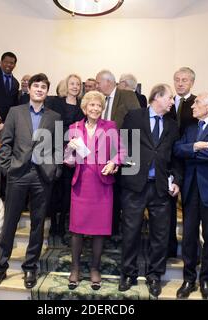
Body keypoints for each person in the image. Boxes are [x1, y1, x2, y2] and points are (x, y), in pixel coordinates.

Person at [0, 73, 62, 288]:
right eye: (36, 86)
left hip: (42, 176)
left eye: (43, 87)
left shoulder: (54, 117)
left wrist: (55, 171)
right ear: (29, 89)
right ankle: (0, 267)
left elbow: (57, 147)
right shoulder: (15, 112)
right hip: (18, 174)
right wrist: (7, 168)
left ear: (47, 92)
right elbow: (6, 143)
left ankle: (30, 268)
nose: (39, 89)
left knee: (37, 225)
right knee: (10, 223)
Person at [119, 84, 182, 297]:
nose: (172, 102)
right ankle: (128, 273)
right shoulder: (135, 116)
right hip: (134, 185)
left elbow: (176, 157)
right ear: (157, 97)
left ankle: (155, 275)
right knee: (130, 231)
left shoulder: (173, 125)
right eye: (170, 98)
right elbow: (122, 145)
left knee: (160, 234)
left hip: (161, 187)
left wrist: (177, 181)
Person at [64, 90, 124, 291]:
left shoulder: (111, 127)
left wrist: (113, 162)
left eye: (99, 106)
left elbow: (121, 152)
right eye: (92, 105)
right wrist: (70, 150)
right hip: (81, 184)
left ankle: (95, 269)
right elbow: (69, 161)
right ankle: (75, 268)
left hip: (102, 184)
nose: (96, 108)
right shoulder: (74, 128)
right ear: (85, 107)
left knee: (100, 230)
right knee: (77, 230)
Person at [173, 93, 208, 300]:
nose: (193, 106)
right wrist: (196, 146)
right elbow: (178, 149)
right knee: (188, 237)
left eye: (197, 103)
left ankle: (205, 280)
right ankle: (188, 280)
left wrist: (192, 152)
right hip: (191, 189)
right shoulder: (189, 129)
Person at [96, 69, 140, 236]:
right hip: (102, 153)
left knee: (122, 193)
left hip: (123, 152)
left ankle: (118, 230)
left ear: (108, 82)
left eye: (98, 83)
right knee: (107, 193)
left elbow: (136, 123)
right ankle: (107, 227)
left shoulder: (126, 95)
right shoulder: (100, 99)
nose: (97, 86)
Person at [45, 74, 85, 237]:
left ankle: (62, 224)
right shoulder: (55, 102)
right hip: (55, 151)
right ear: (66, 85)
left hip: (72, 154)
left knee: (68, 190)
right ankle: (53, 223)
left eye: (77, 84)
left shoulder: (82, 106)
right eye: (72, 84)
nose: (75, 87)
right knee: (54, 189)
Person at [165, 67, 198, 258]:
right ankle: (169, 249)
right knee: (168, 209)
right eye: (177, 79)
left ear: (192, 82)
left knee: (190, 210)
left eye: (184, 80)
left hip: (190, 163)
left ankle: (190, 253)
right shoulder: (168, 102)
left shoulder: (197, 103)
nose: (180, 83)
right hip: (169, 162)